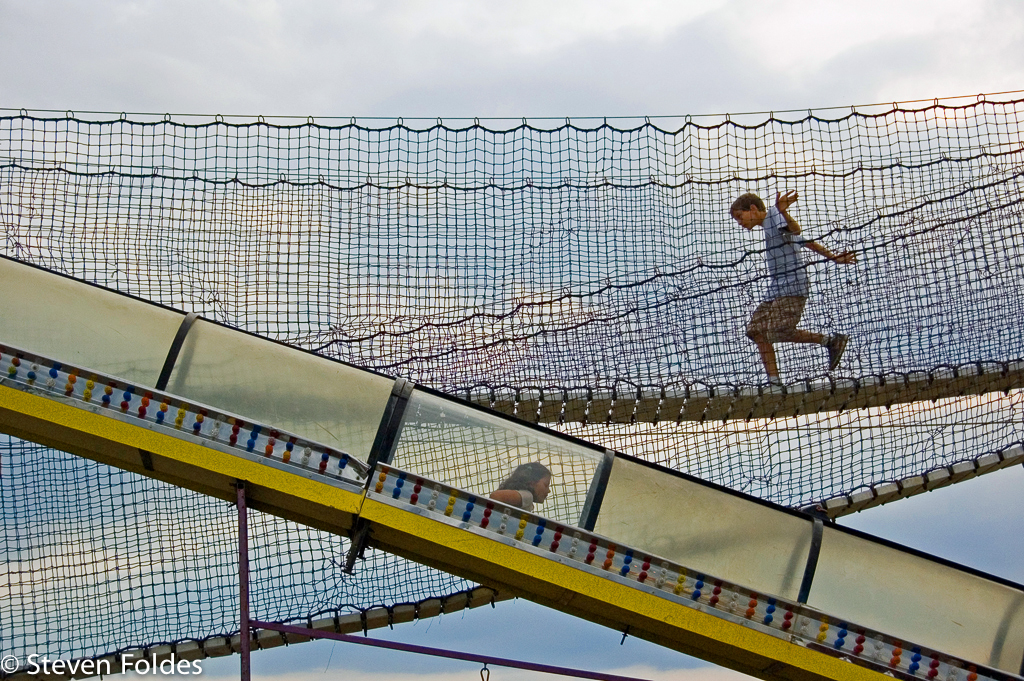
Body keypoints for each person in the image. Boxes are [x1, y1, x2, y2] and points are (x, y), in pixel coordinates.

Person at [730, 190, 856, 384]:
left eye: (740, 216)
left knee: (779, 330)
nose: (740, 222)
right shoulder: (769, 226)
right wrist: (833, 257)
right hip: (776, 289)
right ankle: (774, 381)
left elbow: (795, 230)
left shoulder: (773, 215)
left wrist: (783, 213)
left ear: (753, 209)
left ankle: (830, 340)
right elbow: (803, 240)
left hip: (792, 285)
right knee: (756, 330)